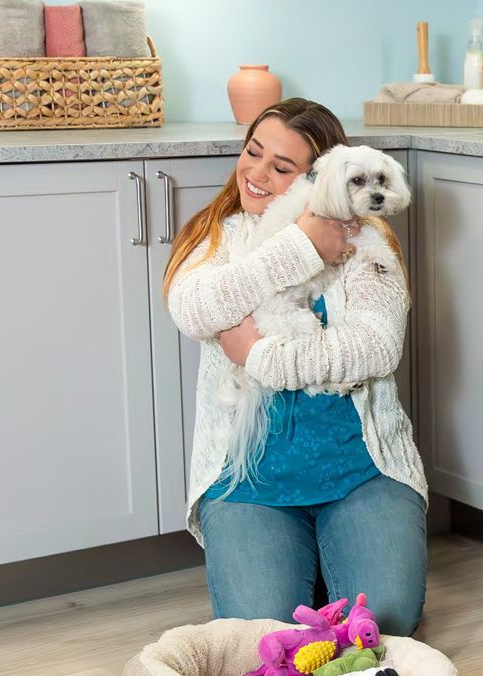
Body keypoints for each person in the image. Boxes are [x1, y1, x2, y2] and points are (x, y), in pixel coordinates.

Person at [162, 98, 428, 634]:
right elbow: (194, 310)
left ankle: (328, 571)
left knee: (388, 624)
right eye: (252, 153)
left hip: (361, 470)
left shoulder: (366, 241)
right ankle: (312, 574)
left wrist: (260, 356)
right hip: (250, 478)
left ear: (319, 177)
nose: (256, 174)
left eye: (281, 168)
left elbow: (375, 349)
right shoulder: (218, 237)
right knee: (261, 638)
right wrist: (302, 244)